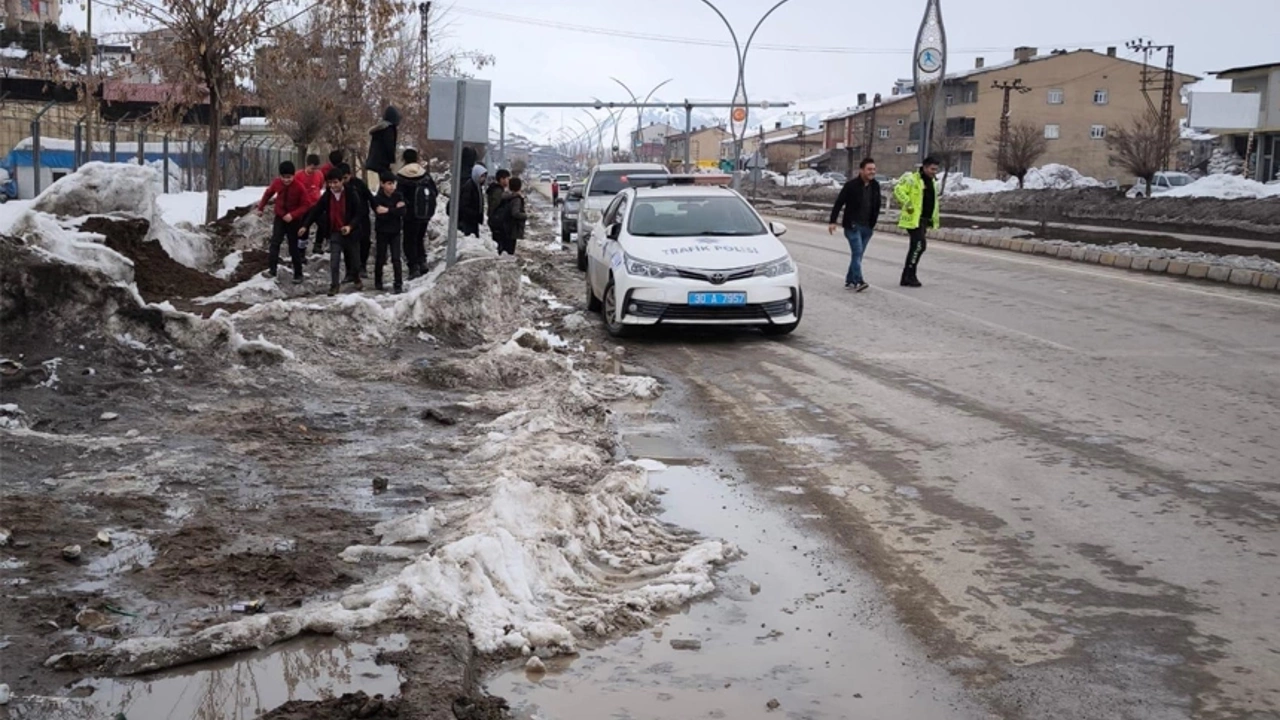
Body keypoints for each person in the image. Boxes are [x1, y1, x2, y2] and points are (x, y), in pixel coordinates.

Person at [298, 169, 362, 296]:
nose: (333, 186)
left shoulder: (351, 193)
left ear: (342, 181)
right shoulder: (327, 196)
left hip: (351, 233)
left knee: (355, 261)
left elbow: (359, 214)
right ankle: (334, 285)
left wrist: (350, 226)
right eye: (330, 183)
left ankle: (356, 277)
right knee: (334, 260)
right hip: (335, 233)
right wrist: (305, 225)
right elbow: (316, 210)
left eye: (335, 182)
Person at [827, 158, 881, 292]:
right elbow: (839, 203)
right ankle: (859, 280)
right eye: (869, 169)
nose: (872, 172)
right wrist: (832, 221)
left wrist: (873, 223)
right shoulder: (851, 186)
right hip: (853, 226)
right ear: (861, 170)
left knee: (859, 254)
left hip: (867, 227)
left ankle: (850, 279)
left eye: (874, 169)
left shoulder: (875, 186)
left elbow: (877, 205)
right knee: (857, 252)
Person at [256, 161, 312, 283]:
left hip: (293, 220)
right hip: (280, 217)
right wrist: (260, 208)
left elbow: (306, 204)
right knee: (275, 243)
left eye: (289, 177)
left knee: (293, 246)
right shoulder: (277, 183)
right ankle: (272, 270)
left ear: (293, 176)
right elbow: (268, 194)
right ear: (280, 176)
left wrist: (293, 215)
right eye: (284, 177)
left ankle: (298, 274)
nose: (286, 180)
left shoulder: (299, 187)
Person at [893, 156, 941, 288]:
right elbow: (898, 190)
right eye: (932, 169)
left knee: (916, 246)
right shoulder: (912, 179)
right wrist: (907, 203)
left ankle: (907, 275)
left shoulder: (933, 182)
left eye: (936, 169)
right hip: (914, 219)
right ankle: (910, 274)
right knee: (920, 246)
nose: (934, 172)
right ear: (924, 167)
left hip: (925, 219)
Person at [396, 148, 437, 279]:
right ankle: (422, 262)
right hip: (424, 214)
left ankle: (413, 266)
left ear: (404, 159)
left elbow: (398, 195)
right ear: (417, 158)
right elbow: (434, 192)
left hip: (409, 215)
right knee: (420, 237)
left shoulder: (401, 176)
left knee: (409, 240)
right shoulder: (425, 175)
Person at [370, 171, 406, 293]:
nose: (392, 187)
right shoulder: (377, 199)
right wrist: (395, 209)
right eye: (389, 184)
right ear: (382, 184)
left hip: (395, 231)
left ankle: (398, 283)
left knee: (396, 258)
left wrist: (388, 210)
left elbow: (402, 212)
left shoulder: (398, 196)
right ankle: (378, 281)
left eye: (393, 184)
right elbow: (380, 214)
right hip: (382, 231)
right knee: (381, 257)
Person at [339, 162, 375, 279]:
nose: (344, 181)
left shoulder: (359, 184)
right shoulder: (338, 188)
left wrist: (377, 208)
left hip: (363, 218)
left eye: (345, 178)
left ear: (350, 175)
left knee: (365, 242)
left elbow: (370, 197)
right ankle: (349, 271)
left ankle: (362, 266)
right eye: (341, 179)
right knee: (347, 245)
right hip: (347, 220)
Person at [491, 176, 527, 256]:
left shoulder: (506, 196)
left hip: (504, 225)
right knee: (510, 250)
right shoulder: (516, 199)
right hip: (512, 227)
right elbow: (515, 213)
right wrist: (524, 216)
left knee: (504, 247)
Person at [365, 106, 400, 179]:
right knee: (388, 180)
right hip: (383, 163)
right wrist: (392, 161)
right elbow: (389, 146)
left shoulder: (379, 129)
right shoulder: (389, 129)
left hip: (374, 162)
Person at [457, 163, 486, 238]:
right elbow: (464, 205)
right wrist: (474, 214)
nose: (483, 178)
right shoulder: (469, 187)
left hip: (473, 220)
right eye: (482, 176)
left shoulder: (477, 186)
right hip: (468, 220)